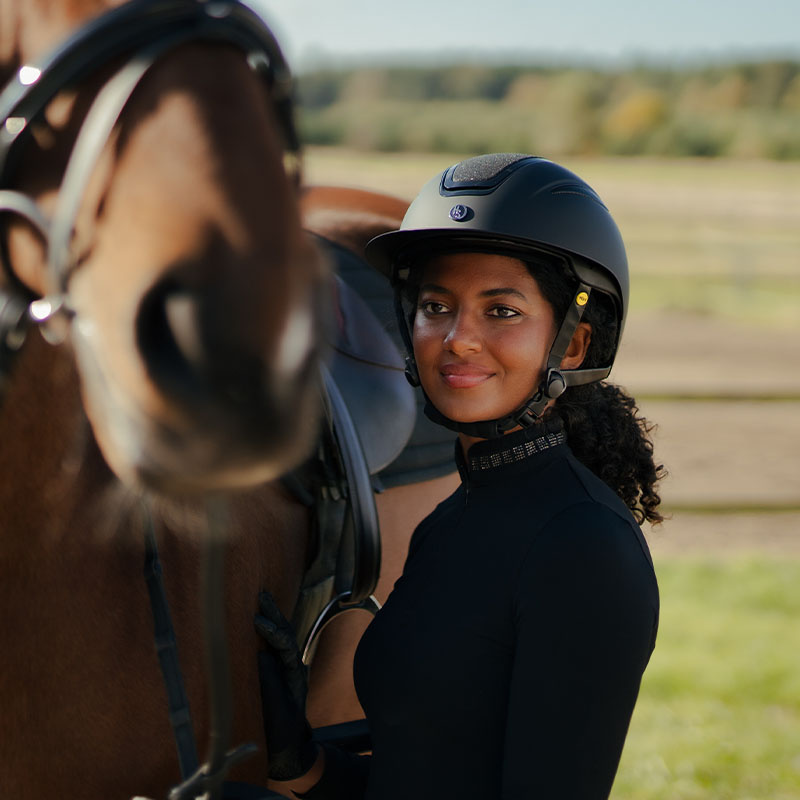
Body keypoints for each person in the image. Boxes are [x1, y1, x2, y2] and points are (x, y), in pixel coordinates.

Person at [256, 153, 663, 800]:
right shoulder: (450, 519)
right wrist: (298, 763)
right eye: (436, 306)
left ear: (574, 344)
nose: (457, 338)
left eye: (501, 311)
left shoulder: (585, 547)